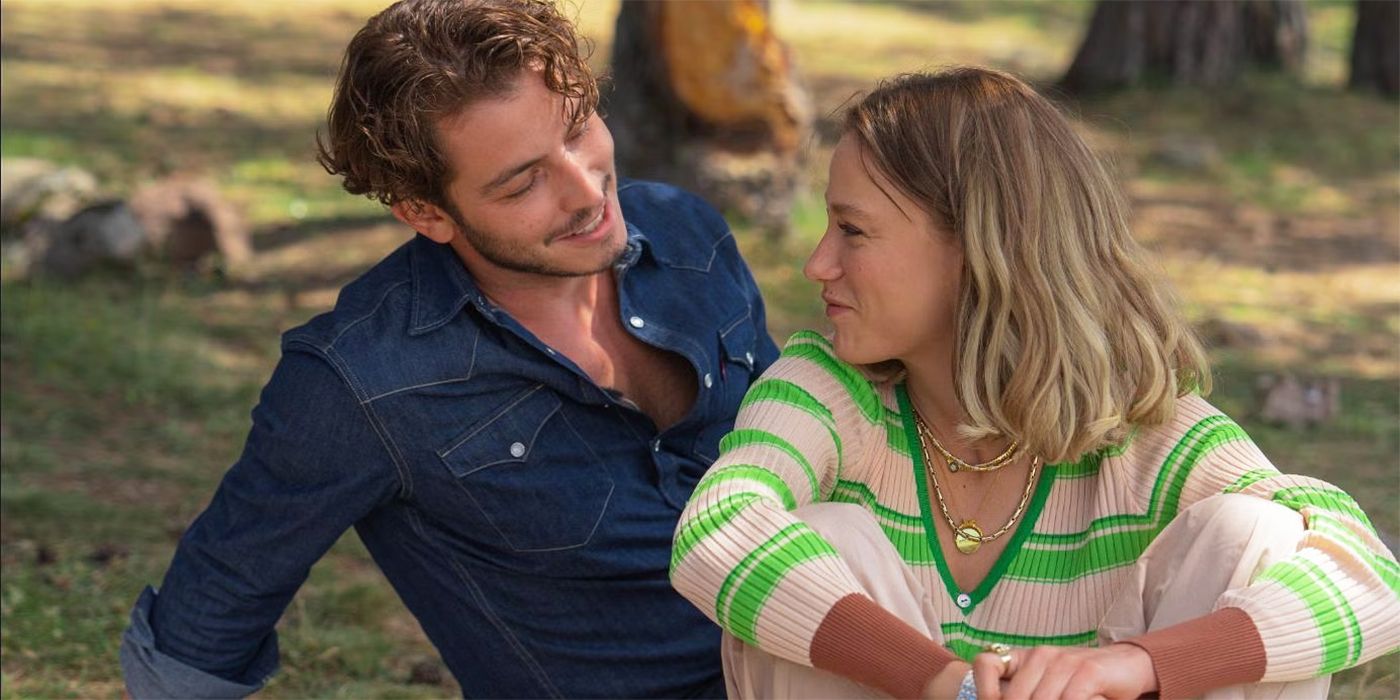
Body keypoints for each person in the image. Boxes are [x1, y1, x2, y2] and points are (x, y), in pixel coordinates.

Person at [670, 67, 1399, 700]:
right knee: (824, 536)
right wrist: (946, 682)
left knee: (1260, 536)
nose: (818, 264)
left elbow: (1372, 575)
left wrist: (1134, 666)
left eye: (852, 232)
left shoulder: (1143, 428)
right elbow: (719, 529)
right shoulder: (827, 393)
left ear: (978, 248)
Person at [118, 0, 780, 696]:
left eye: (579, 130)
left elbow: (801, 454)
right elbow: (203, 626)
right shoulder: (364, 380)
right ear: (426, 212)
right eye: (523, 182)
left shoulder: (686, 235)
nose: (588, 193)